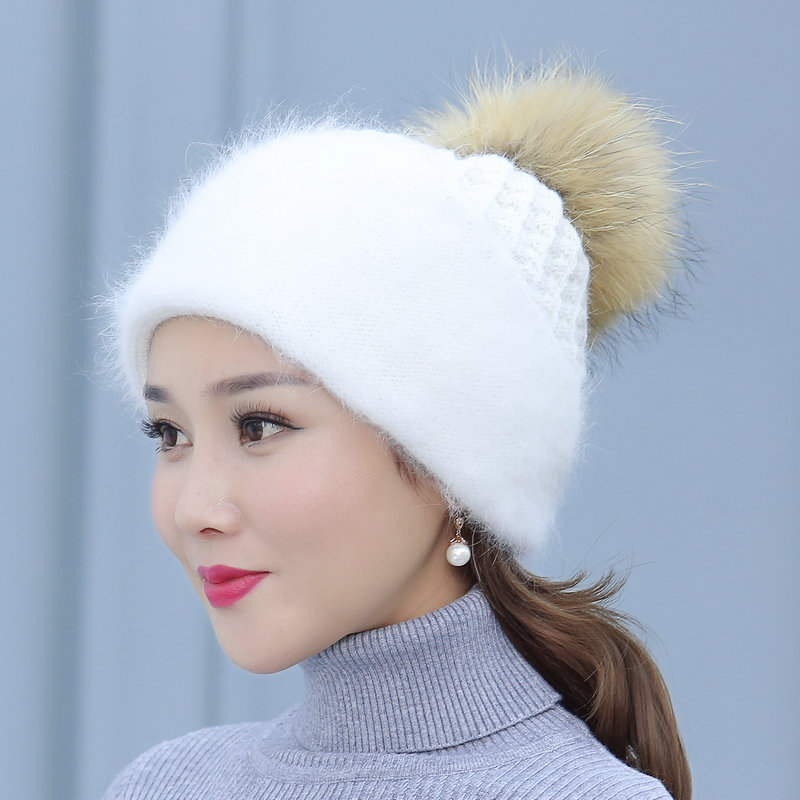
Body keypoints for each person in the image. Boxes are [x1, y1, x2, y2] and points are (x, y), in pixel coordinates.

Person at [103, 62, 693, 799]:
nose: (194, 509)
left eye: (259, 425)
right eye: (169, 434)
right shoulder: (168, 784)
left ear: (453, 460)